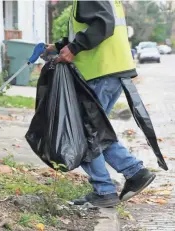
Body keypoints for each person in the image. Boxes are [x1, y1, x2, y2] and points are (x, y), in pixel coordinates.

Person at [44, 0, 156, 208]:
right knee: (94, 129)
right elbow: (93, 27)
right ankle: (133, 173)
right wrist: (60, 46)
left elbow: (103, 24)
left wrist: (75, 48)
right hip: (112, 70)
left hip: (101, 71)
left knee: (84, 132)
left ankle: (105, 189)